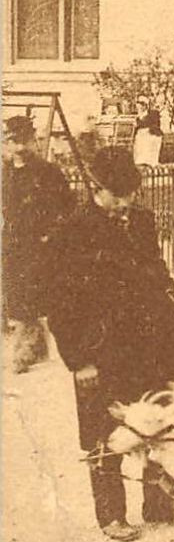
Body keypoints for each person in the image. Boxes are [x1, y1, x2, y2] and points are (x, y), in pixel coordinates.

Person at [49, 147, 174, 541]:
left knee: (157, 417)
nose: (126, 204)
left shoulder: (141, 220)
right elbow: (60, 303)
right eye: (117, 195)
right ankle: (111, 514)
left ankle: (158, 501)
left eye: (131, 194)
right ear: (97, 188)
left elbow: (156, 269)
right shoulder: (71, 229)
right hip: (100, 349)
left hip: (150, 343)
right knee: (101, 429)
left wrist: (168, 303)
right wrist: (78, 360)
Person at [3, 115, 73, 372]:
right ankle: (36, 345)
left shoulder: (48, 172)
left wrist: (52, 234)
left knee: (34, 298)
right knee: (19, 297)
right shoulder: (5, 172)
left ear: (33, 140)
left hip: (41, 244)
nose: (18, 147)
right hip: (13, 243)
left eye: (23, 141)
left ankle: (25, 351)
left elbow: (67, 207)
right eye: (11, 141)